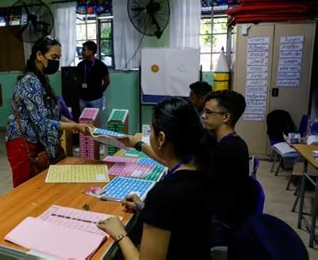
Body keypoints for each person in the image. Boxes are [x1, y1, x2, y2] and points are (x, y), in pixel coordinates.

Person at [97, 97, 213, 260]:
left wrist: (120, 234)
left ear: (161, 139)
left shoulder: (164, 194)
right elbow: (181, 220)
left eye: (151, 131)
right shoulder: (205, 169)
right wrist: (146, 208)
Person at [5, 36, 92, 187]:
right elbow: (42, 122)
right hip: (24, 145)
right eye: (53, 57)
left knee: (41, 189)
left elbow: (53, 113)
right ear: (39, 55)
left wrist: (71, 122)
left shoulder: (41, 79)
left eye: (58, 58)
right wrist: (74, 127)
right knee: (26, 191)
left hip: (38, 144)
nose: (56, 62)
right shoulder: (29, 82)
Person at [201, 90, 253, 246]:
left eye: (208, 112)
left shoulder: (227, 150)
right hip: (225, 215)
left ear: (225, 117)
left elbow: (199, 187)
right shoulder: (233, 142)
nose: (203, 116)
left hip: (221, 224)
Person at [77, 40, 110, 126]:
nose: (82, 52)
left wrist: (99, 92)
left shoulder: (101, 65)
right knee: (84, 123)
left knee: (97, 123)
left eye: (84, 50)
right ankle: (87, 140)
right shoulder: (80, 65)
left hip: (96, 99)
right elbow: (77, 80)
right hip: (83, 99)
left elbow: (107, 81)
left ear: (91, 51)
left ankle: (98, 139)